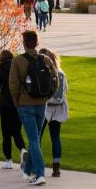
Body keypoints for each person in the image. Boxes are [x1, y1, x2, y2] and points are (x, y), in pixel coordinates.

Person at [8, 29, 58, 185]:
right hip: (41, 104)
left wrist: (18, 102)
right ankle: (28, 171)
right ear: (36, 43)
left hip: (25, 104)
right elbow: (55, 82)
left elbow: (13, 85)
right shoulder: (46, 60)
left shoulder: (18, 61)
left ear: (24, 43)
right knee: (34, 139)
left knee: (33, 139)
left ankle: (40, 173)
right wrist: (46, 97)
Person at [0, 49, 26, 169]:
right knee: (17, 130)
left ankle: (8, 160)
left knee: (6, 133)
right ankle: (22, 149)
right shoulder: (17, 68)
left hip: (5, 104)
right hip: (17, 103)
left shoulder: (2, 69)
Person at [39, 47, 69, 177]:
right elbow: (66, 89)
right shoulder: (61, 72)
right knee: (55, 137)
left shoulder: (45, 71)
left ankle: (36, 166)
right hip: (59, 106)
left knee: (37, 137)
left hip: (45, 106)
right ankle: (56, 168)